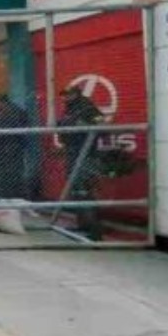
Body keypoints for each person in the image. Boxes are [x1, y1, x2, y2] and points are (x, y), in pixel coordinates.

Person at [59, 86, 105, 240]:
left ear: (76, 94)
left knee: (85, 189)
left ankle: (94, 229)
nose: (65, 98)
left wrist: (80, 127)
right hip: (73, 152)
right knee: (76, 190)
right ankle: (82, 224)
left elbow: (100, 125)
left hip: (85, 154)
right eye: (64, 95)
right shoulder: (70, 109)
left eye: (68, 94)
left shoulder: (86, 107)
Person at [0, 95, 31, 199]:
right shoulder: (16, 110)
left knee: (7, 176)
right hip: (13, 147)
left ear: (0, 102)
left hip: (7, 149)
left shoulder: (7, 113)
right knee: (15, 174)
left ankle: (9, 197)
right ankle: (17, 197)